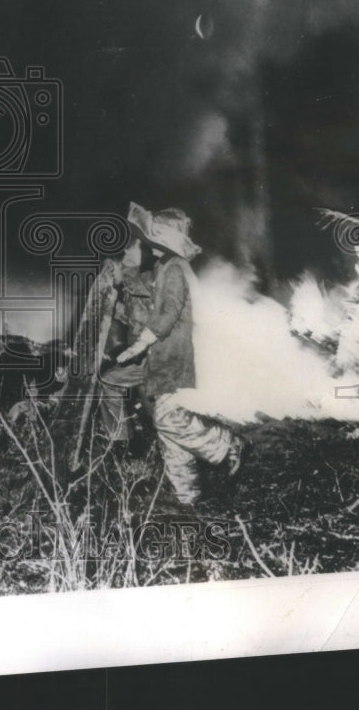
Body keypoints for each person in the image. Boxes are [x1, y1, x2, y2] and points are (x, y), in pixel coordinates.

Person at [98, 204, 247, 506]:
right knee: (166, 431)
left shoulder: (175, 268)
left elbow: (169, 311)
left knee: (167, 418)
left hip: (174, 356)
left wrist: (139, 345)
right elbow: (145, 306)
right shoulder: (165, 267)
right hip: (162, 356)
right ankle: (187, 495)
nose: (142, 244)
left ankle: (228, 444)